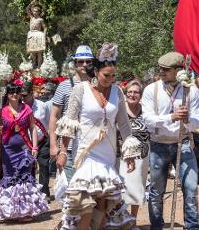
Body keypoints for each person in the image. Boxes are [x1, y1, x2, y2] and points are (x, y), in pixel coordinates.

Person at [55, 43, 140, 229]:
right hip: (86, 154)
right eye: (106, 75)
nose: (110, 79)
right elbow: (69, 122)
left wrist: (130, 153)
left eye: (113, 76)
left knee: (103, 204)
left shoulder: (117, 92)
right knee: (84, 204)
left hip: (108, 154)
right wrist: (62, 151)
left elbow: (124, 124)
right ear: (96, 72)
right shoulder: (80, 90)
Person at [142, 52, 199, 230]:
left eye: (166, 69)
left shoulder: (191, 90)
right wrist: (172, 117)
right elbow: (147, 120)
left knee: (190, 188)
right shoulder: (151, 90)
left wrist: (187, 119)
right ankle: (157, 226)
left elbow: (198, 121)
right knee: (156, 192)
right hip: (158, 143)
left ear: (179, 70)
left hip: (183, 142)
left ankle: (192, 227)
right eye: (160, 68)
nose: (161, 71)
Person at [0, 80, 49, 221]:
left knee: (24, 176)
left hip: (24, 148)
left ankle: (25, 212)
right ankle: (10, 210)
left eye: (17, 92)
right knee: (10, 176)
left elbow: (33, 129)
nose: (15, 94)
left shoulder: (26, 109)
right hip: (7, 149)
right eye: (12, 92)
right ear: (7, 94)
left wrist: (34, 147)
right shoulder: (0, 111)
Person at [106, 80, 149, 229]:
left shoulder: (145, 110)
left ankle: (133, 221)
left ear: (140, 95)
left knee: (137, 189)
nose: (132, 94)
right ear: (125, 94)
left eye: (136, 92)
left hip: (142, 158)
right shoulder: (119, 110)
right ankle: (118, 221)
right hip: (121, 157)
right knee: (122, 190)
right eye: (129, 91)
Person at [49, 45, 93, 183]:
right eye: (80, 61)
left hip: (91, 146)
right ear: (75, 64)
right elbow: (54, 116)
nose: (84, 64)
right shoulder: (64, 86)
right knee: (71, 190)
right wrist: (53, 144)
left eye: (88, 61)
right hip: (68, 147)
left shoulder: (99, 86)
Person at [20, 82, 52, 202]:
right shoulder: (19, 108)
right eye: (21, 96)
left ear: (32, 94)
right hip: (26, 143)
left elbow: (49, 122)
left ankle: (44, 193)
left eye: (25, 95)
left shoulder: (42, 106)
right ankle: (31, 191)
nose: (23, 98)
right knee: (29, 166)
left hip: (42, 140)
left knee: (44, 165)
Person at [26, 0, 48, 68]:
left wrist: (44, 35)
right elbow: (27, 9)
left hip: (38, 35)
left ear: (39, 12)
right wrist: (31, 3)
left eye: (36, 11)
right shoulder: (31, 18)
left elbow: (45, 27)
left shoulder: (40, 19)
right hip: (31, 35)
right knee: (32, 52)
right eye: (34, 11)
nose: (35, 12)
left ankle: (39, 66)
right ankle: (33, 65)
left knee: (39, 52)